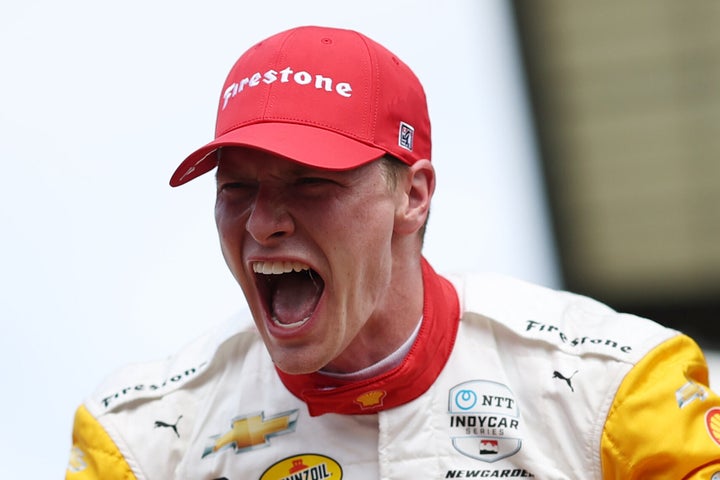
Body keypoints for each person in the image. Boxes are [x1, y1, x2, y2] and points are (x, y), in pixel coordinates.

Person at [66, 25, 720, 479]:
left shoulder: (616, 389)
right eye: (236, 188)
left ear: (413, 196)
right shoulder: (143, 441)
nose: (262, 223)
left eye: (311, 182)